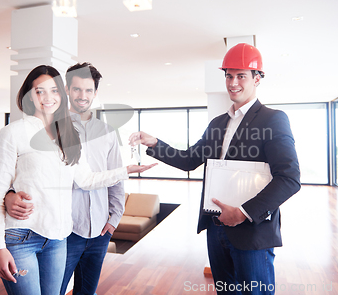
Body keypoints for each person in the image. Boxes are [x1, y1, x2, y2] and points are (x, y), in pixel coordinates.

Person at [129, 43, 301, 295]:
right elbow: (189, 160)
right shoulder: (218, 123)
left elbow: (289, 178)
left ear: (257, 79)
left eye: (241, 75)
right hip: (216, 229)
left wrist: (243, 212)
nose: (233, 82)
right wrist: (154, 143)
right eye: (229, 75)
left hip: (252, 232)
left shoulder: (273, 119)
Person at [0, 65, 155, 295]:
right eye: (39, 91)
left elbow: (86, 179)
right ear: (29, 95)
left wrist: (126, 171)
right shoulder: (14, 132)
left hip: (58, 238)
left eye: (53, 91)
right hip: (23, 236)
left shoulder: (67, 135)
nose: (47, 97)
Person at [5, 62, 125, 295]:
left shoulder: (108, 133)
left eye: (89, 90)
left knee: (87, 292)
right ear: (66, 91)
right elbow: (24, 173)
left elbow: (116, 178)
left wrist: (114, 219)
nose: (83, 96)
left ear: (95, 93)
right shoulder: (50, 128)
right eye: (77, 89)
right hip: (62, 232)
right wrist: (9, 194)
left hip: (100, 230)